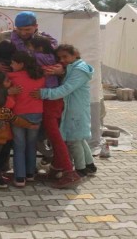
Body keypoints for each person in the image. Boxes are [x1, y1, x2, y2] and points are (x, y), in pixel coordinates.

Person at [31, 44, 97, 180]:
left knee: (74, 140)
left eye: (65, 56)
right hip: (73, 108)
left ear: (75, 55)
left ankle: (81, 169)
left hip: (75, 109)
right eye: (60, 57)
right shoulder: (74, 67)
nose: (62, 60)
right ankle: (90, 165)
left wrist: (44, 93)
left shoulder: (79, 70)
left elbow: (66, 89)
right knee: (79, 138)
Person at [28, 36, 80, 188]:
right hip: (55, 102)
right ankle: (57, 167)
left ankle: (69, 172)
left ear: (37, 48)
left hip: (50, 101)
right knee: (56, 136)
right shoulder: (54, 61)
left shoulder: (39, 59)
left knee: (55, 136)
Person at [7, 51, 45, 187]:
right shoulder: (40, 76)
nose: (10, 65)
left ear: (21, 64)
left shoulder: (11, 77)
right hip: (36, 113)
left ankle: (19, 177)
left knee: (19, 145)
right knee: (31, 144)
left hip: (18, 114)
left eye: (12, 62)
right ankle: (30, 174)